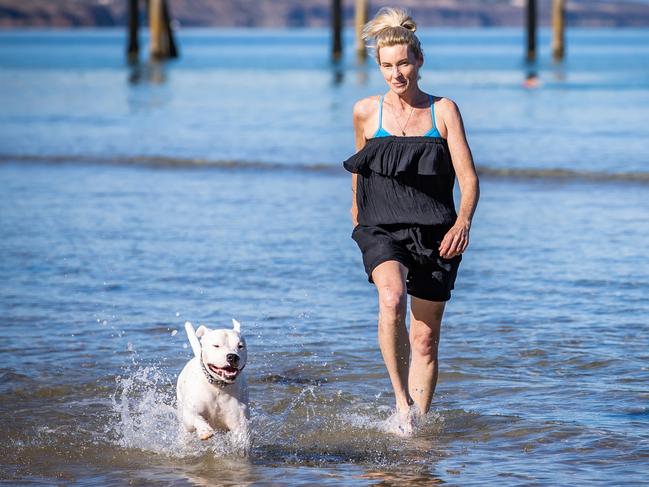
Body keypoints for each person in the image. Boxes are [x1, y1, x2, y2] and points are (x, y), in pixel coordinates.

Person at [343, 7, 479, 435]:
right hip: (381, 228)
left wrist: (463, 223)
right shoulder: (366, 111)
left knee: (424, 338)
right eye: (387, 66)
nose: (396, 74)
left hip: (437, 232)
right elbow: (360, 169)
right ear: (378, 66)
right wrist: (357, 217)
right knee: (391, 298)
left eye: (403, 63)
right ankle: (401, 404)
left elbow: (469, 178)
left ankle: (416, 425)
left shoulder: (444, 111)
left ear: (419, 60)